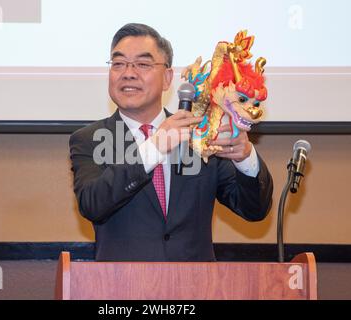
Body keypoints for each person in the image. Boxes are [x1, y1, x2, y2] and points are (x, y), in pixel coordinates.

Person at [69, 23, 273, 261]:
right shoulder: (89, 140)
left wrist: (245, 157)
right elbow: (93, 204)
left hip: (196, 287)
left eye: (143, 64)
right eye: (118, 63)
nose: (128, 73)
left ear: (167, 78)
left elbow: (254, 210)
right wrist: (155, 147)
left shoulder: (201, 134)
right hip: (122, 287)